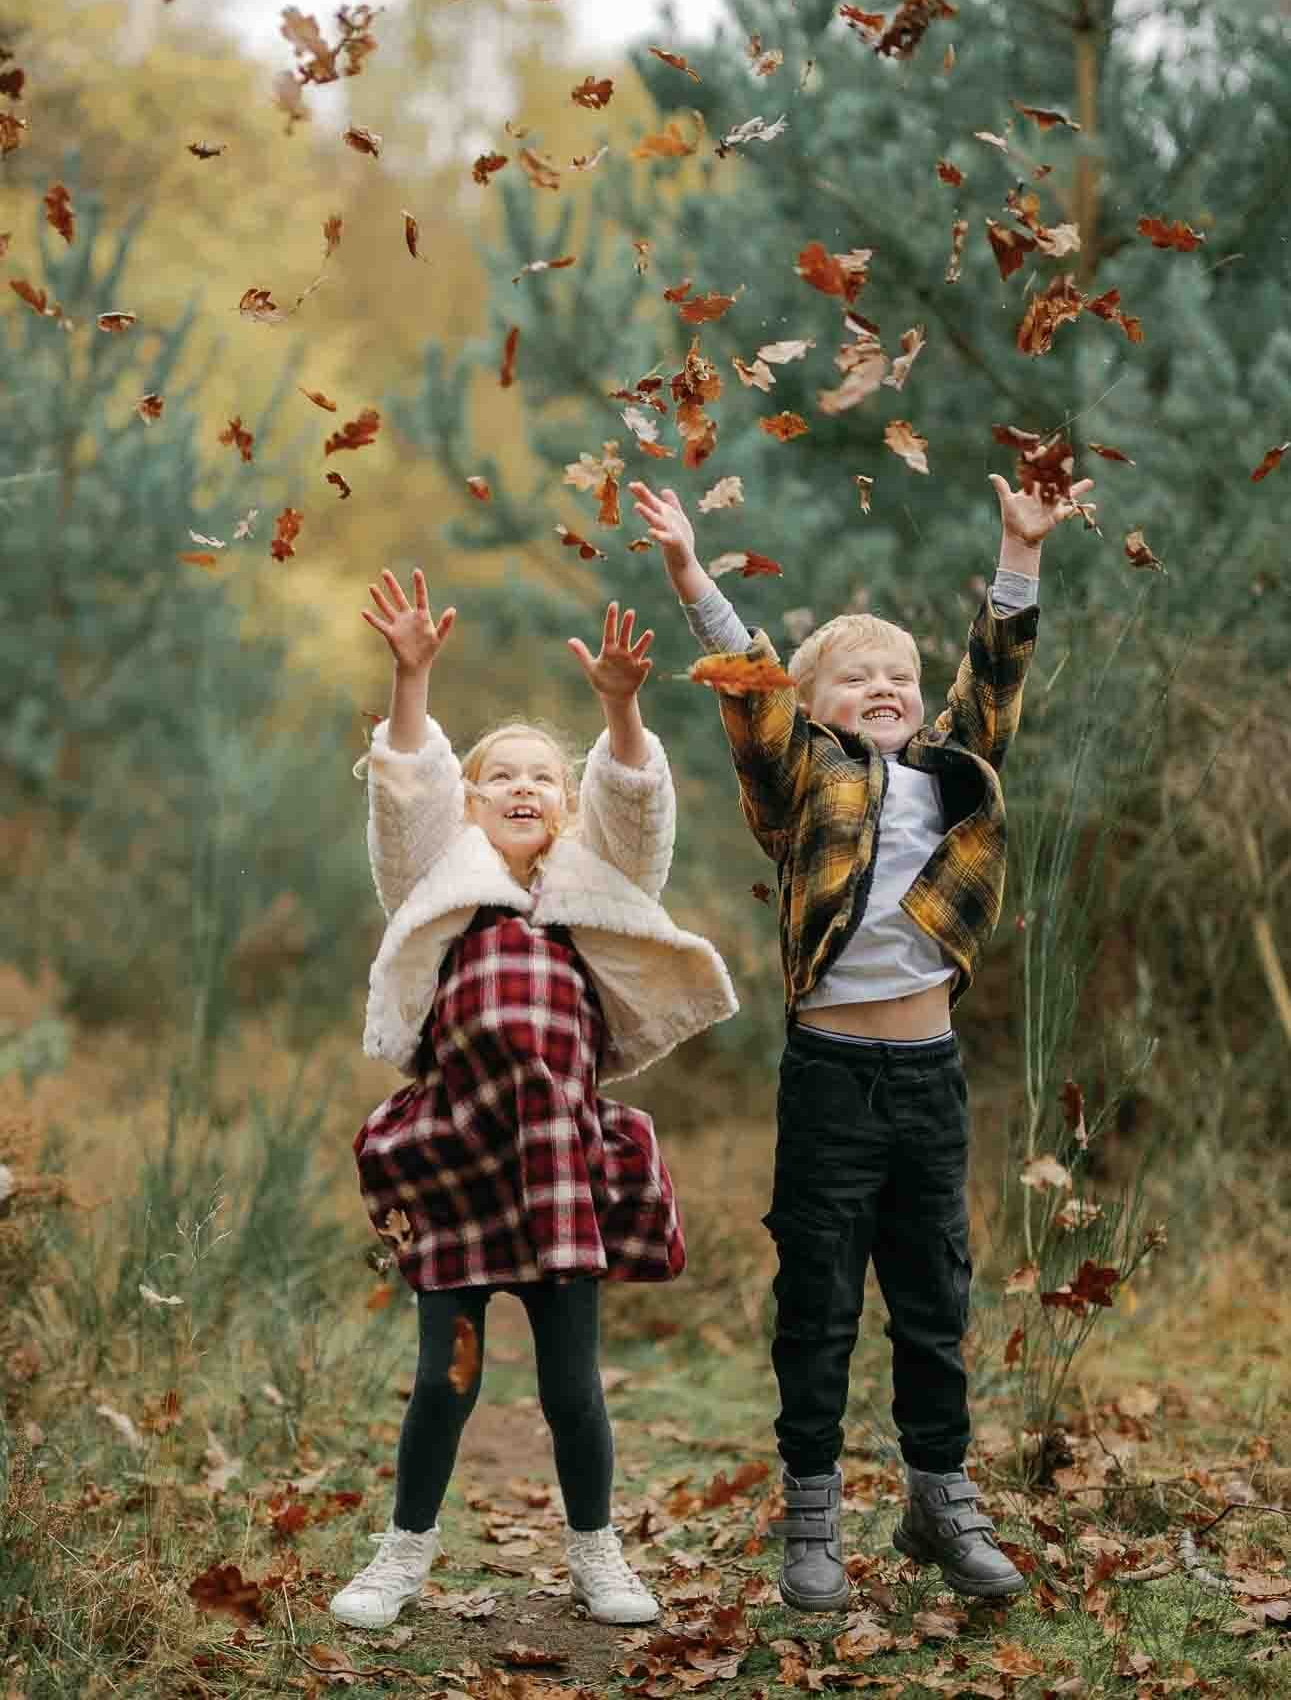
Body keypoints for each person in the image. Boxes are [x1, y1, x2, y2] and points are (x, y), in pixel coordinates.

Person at [630, 469, 1094, 1609]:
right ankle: (811, 1515)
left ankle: (940, 1501)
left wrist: (1018, 550)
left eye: (899, 675)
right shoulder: (801, 782)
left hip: (929, 1077)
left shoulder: (949, 769)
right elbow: (747, 688)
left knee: (934, 1296)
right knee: (821, 1302)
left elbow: (994, 674)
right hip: (832, 1080)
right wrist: (692, 571)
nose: (885, 685)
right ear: (814, 702)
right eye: (857, 675)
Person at [330, 571, 737, 1630]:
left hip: (561, 1160)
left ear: (566, 805)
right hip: (458, 1155)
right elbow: (406, 795)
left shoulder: (594, 896)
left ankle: (597, 1557)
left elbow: (636, 811)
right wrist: (410, 679)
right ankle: (402, 1556)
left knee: (571, 1387)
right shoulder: (441, 889)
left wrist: (616, 708)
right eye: (498, 775)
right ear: (469, 806)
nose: (521, 787)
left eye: (543, 778)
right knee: (444, 1381)